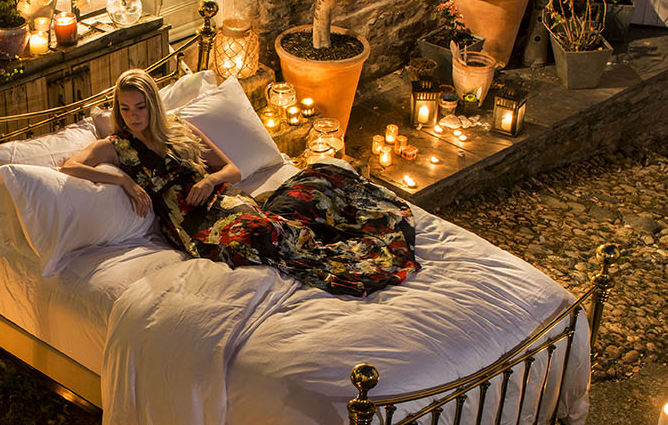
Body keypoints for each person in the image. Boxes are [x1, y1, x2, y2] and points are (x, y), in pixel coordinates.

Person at [60, 69, 419, 296]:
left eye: (139, 107)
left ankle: (315, 236)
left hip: (227, 200)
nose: (132, 116)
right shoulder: (117, 147)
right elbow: (70, 166)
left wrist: (208, 181)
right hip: (192, 225)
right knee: (261, 237)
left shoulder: (180, 130)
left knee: (324, 177)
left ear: (152, 104)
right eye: (124, 108)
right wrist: (124, 184)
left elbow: (232, 169)